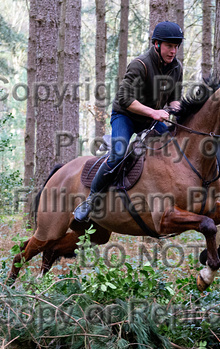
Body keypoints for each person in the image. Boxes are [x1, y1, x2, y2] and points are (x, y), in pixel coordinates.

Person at [74, 21, 184, 222]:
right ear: (157, 44)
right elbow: (125, 99)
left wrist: (179, 110)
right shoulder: (140, 64)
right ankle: (91, 200)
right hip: (125, 116)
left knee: (172, 149)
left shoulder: (176, 67)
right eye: (169, 46)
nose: (173, 51)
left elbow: (174, 98)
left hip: (151, 118)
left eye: (176, 46)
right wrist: (153, 112)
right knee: (117, 154)